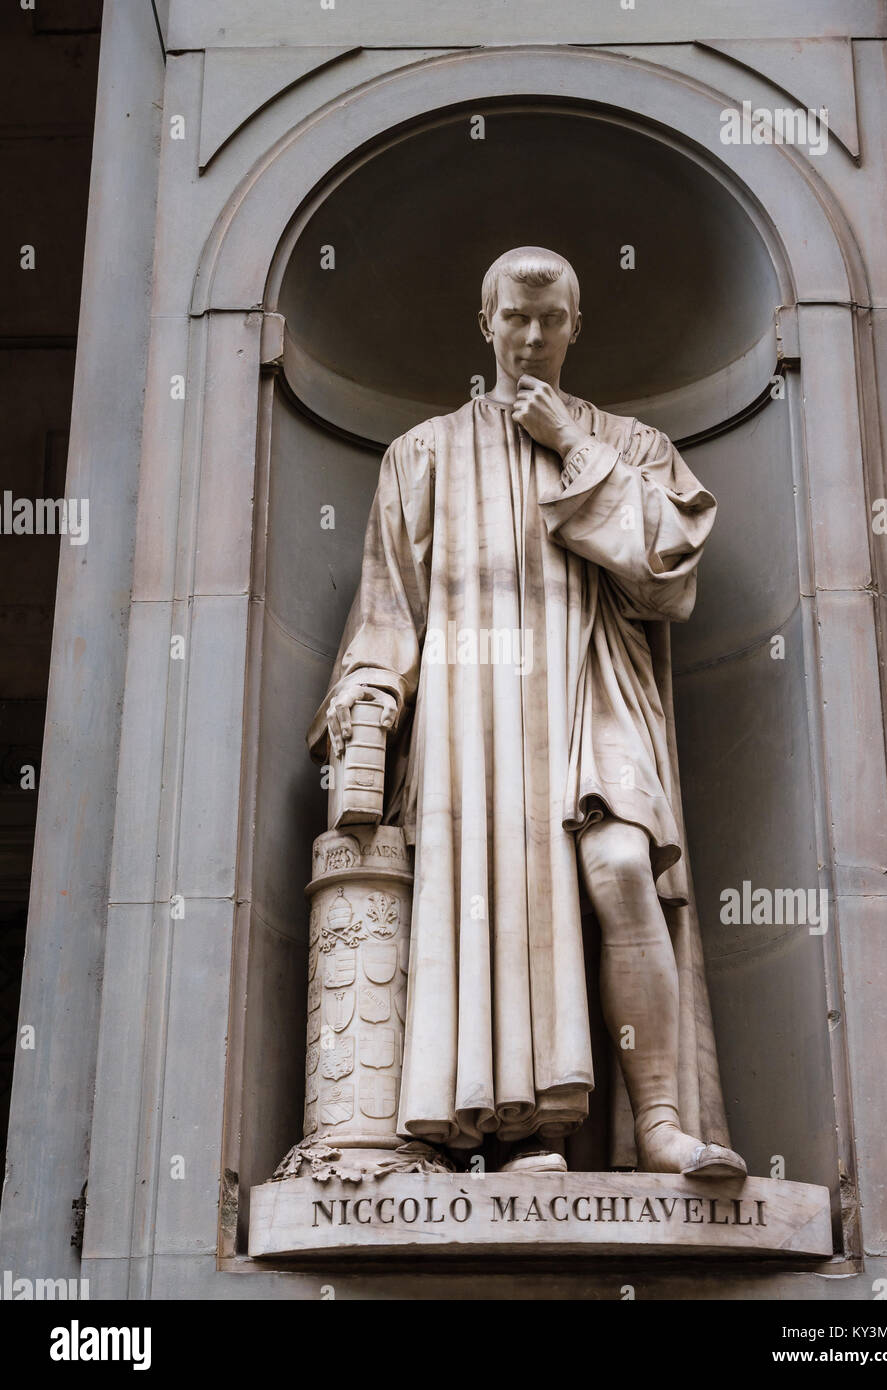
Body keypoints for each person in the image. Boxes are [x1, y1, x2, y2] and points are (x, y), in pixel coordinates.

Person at [312, 247, 746, 1178]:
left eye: (552, 321)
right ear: (487, 325)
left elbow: (667, 568)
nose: (534, 337)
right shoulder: (420, 454)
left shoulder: (629, 446)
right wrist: (371, 708)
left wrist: (568, 445)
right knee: (493, 896)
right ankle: (521, 1134)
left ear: (575, 328)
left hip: (594, 692)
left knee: (625, 865)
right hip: (473, 719)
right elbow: (390, 615)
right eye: (517, 319)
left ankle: (662, 1123)